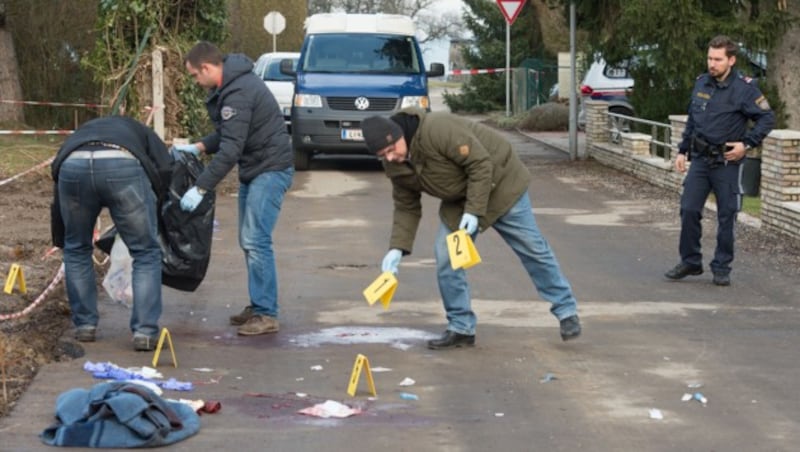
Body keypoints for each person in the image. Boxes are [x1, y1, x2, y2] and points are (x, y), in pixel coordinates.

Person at [361, 109, 581, 350]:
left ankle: (566, 310)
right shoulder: (395, 166)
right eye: (383, 155)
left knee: (532, 248)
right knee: (446, 256)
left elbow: (480, 164)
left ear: (398, 134)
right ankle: (461, 327)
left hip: (502, 185)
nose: (390, 158)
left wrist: (474, 211)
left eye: (391, 150)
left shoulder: (437, 129)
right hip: (460, 201)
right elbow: (406, 206)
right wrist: (397, 248)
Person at [177, 41, 294, 335]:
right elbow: (229, 133)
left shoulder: (238, 92)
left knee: (256, 240)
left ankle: (267, 314)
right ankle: (259, 304)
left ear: (206, 68)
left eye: (194, 76)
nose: (195, 82)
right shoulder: (232, 84)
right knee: (249, 239)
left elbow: (230, 150)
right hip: (255, 169)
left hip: (270, 170)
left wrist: (201, 188)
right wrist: (200, 146)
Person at [50, 116, 173, 351]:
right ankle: (144, 332)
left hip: (72, 165)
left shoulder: (83, 131)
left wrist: (60, 232)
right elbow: (165, 167)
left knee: (76, 248)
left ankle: (85, 325)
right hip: (122, 166)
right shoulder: (141, 131)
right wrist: (157, 202)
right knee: (145, 251)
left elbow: (57, 168)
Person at [665, 35, 775, 286]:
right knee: (689, 209)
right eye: (709, 58)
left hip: (727, 162)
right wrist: (682, 151)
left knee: (727, 215)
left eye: (717, 59)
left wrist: (746, 144)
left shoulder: (745, 89)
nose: (712, 64)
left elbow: (767, 118)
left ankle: (722, 265)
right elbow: (693, 120)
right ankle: (691, 261)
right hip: (701, 161)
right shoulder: (702, 83)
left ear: (731, 60)